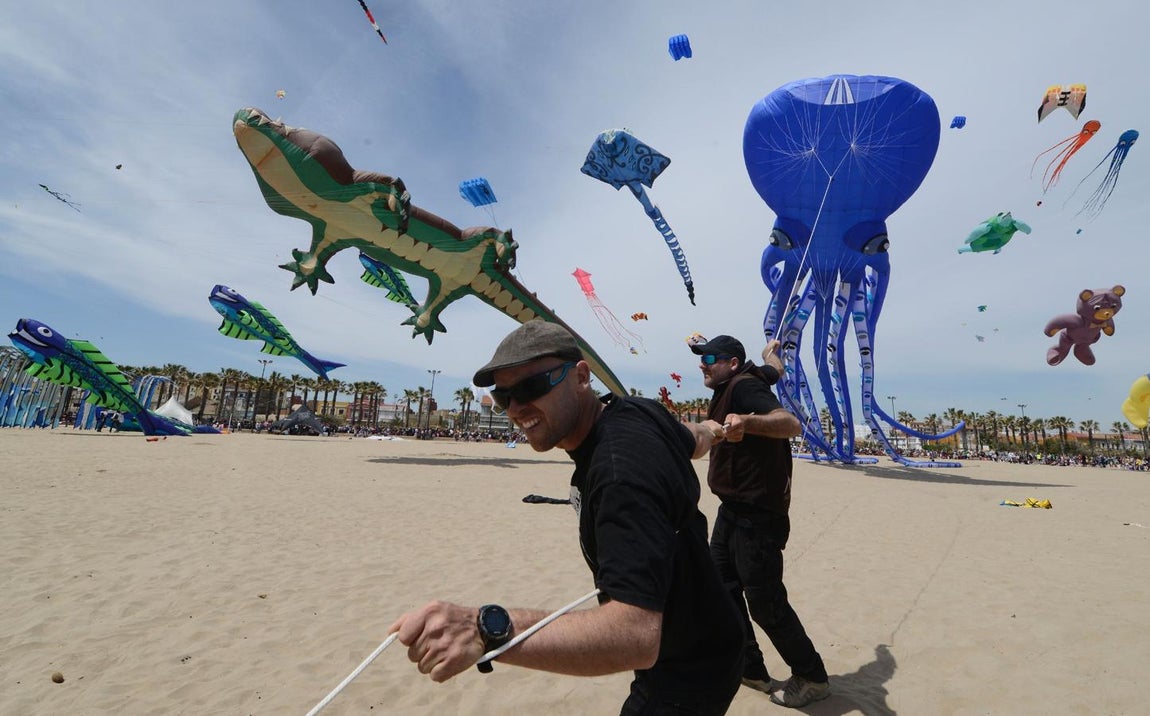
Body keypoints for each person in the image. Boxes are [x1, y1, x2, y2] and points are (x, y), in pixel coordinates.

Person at [390, 320, 745, 714]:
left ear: (580, 376)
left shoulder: (618, 476)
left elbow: (636, 635)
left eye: (530, 387)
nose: (516, 407)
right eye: (503, 395)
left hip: (688, 669)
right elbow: (693, 439)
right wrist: (715, 429)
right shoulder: (638, 411)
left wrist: (484, 629)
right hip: (710, 634)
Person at [689, 333, 831, 708]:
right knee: (721, 588)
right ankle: (750, 668)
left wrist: (748, 422)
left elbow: (789, 423)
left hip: (758, 515)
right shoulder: (758, 374)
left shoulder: (745, 387)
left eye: (710, 358)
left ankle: (812, 676)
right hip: (731, 510)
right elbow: (775, 368)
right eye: (701, 358)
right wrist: (773, 352)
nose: (702, 364)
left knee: (765, 603)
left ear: (732, 363)